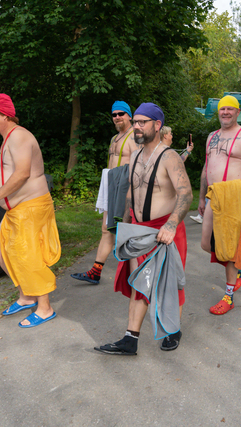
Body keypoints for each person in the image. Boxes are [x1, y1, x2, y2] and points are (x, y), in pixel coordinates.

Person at [95, 103, 193, 355]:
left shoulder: (169, 157)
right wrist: (124, 222)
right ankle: (130, 339)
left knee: (168, 285)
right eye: (135, 121)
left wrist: (171, 225)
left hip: (164, 231)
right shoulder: (137, 154)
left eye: (142, 122)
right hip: (138, 230)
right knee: (139, 283)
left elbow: (186, 193)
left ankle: (172, 329)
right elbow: (131, 191)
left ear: (157, 125)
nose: (136, 126)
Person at [0, 93, 60, 328]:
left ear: (3, 114)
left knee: (28, 256)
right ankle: (27, 296)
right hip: (17, 210)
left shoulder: (19, 136)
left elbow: (22, 173)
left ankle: (45, 308)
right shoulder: (9, 137)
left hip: (30, 206)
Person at [199, 95, 241, 315]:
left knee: (228, 249)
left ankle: (228, 296)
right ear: (218, 112)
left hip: (234, 198)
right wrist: (201, 197)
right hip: (213, 197)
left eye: (230, 109)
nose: (225, 112)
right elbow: (206, 167)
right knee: (206, 244)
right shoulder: (211, 137)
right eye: (222, 109)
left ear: (238, 112)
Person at [71, 101, 137, 284]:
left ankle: (135, 273)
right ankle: (95, 271)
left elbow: (139, 167)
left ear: (129, 116)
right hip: (111, 187)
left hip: (126, 190)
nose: (117, 117)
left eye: (121, 114)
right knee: (106, 230)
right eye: (114, 114)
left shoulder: (134, 137)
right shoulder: (114, 138)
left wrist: (131, 194)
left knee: (126, 232)